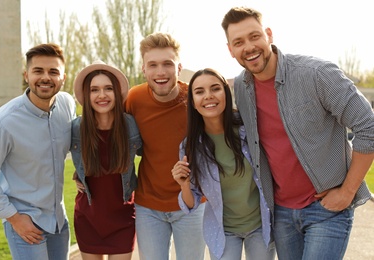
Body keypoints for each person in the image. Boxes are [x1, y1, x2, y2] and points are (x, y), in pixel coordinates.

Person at [221, 6, 374, 260]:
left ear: (269, 34)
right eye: (238, 42)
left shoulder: (316, 75)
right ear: (230, 49)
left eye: (254, 36)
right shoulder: (242, 89)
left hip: (326, 209)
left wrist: (347, 191)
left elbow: (368, 126)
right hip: (281, 213)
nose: (248, 47)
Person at [171, 68, 276, 260]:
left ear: (226, 93)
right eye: (199, 92)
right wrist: (184, 185)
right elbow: (191, 203)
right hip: (223, 230)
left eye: (215, 89)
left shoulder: (249, 130)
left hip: (261, 225)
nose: (208, 96)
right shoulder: (190, 146)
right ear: (193, 102)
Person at [0, 43, 76, 260]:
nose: (46, 77)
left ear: (63, 77)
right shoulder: (3, 122)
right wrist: (14, 218)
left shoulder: (66, 104)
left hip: (59, 222)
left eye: (53, 72)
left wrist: (81, 171)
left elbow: (75, 144)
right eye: (38, 71)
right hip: (25, 223)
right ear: (26, 75)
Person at [124, 32, 206, 260]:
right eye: (153, 65)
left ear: (179, 68)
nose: (160, 72)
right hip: (148, 206)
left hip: (192, 203)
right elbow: (110, 137)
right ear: (143, 69)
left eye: (167, 64)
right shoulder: (134, 99)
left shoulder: (195, 99)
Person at [70, 60, 142, 260]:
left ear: (116, 92)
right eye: (94, 90)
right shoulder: (77, 128)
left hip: (123, 216)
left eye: (108, 88)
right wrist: (78, 175)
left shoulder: (130, 125)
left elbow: (152, 156)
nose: (102, 95)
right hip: (88, 216)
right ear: (87, 94)